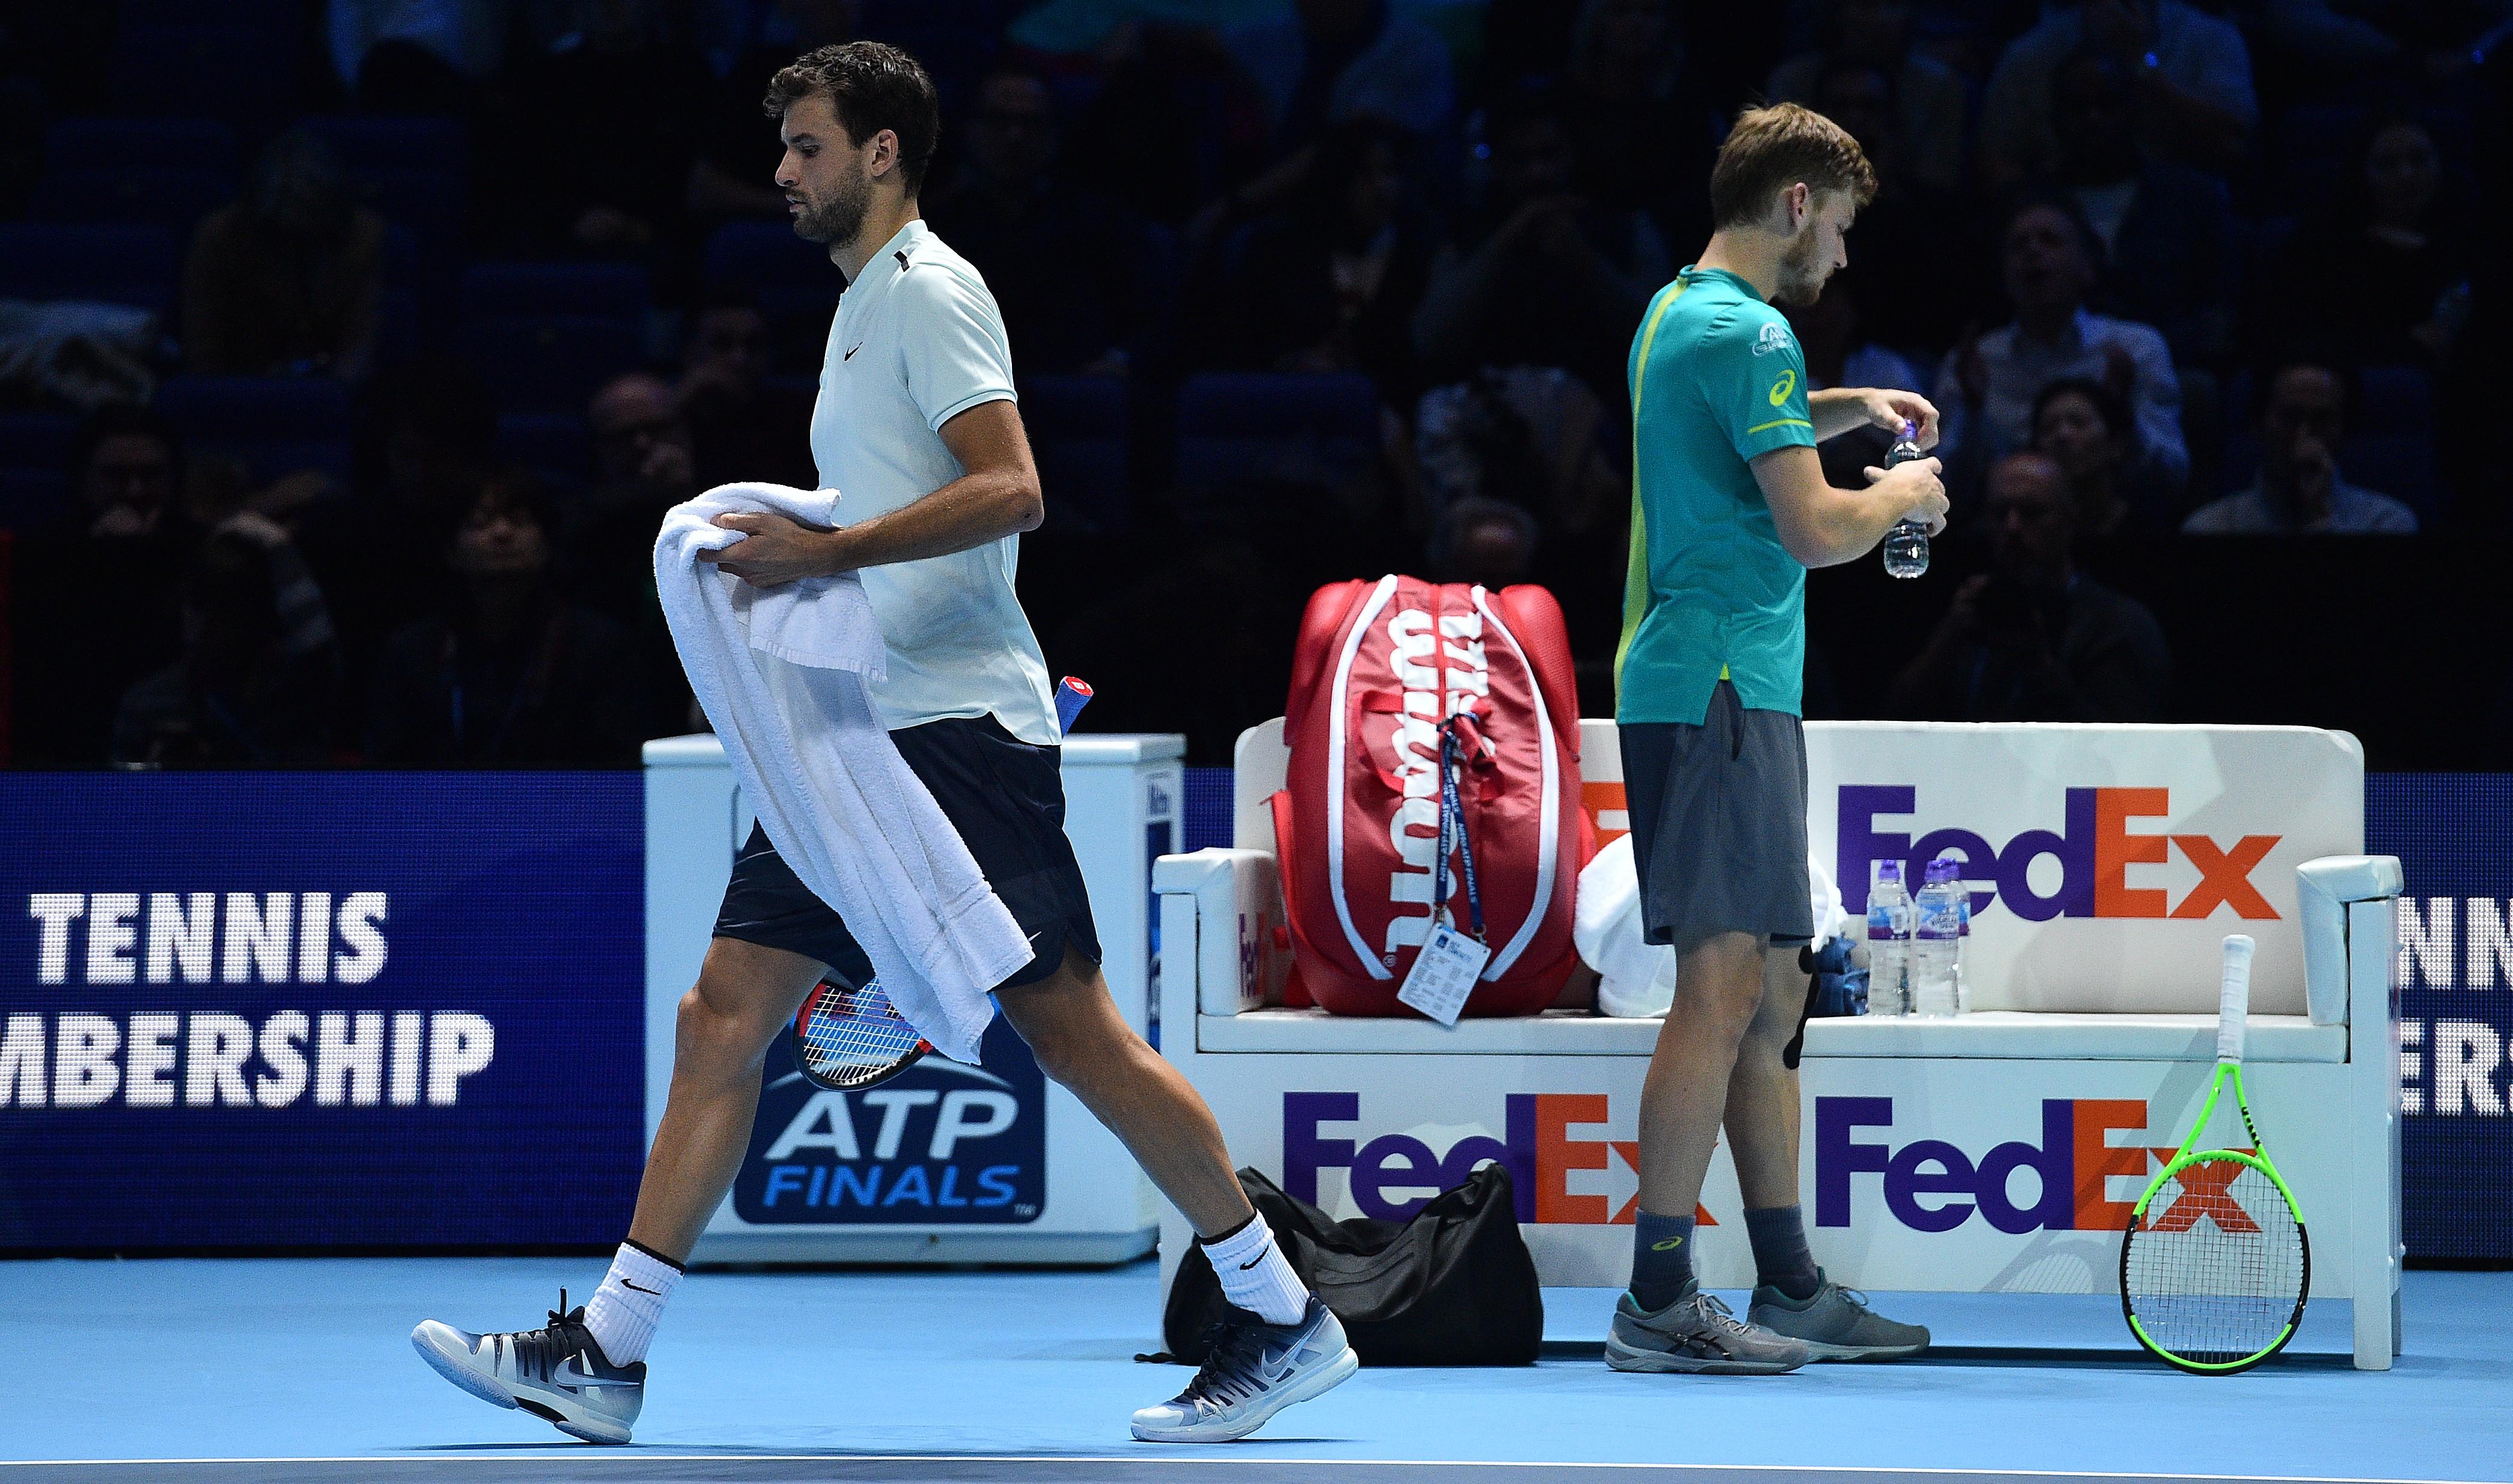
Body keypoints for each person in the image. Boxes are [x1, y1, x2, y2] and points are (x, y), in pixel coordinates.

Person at [410, 42, 1357, 1447]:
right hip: (855, 736)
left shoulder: (929, 293)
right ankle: (604, 1350)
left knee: (1075, 1031)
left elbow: (1015, 489)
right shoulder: (860, 309)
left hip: (954, 737)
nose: (782, 170)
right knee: (721, 1014)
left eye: (803, 145)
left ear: (881, 153)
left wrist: (827, 552)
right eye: (782, 146)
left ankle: (1277, 1307)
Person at [1612, 102, 1942, 1375]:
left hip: (1727, 687)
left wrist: (1848, 406)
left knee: (1772, 994)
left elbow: (1743, 420)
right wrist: (1902, 490)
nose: (1844, 259)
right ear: (1797, 203)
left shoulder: (1678, 309)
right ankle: (1657, 1300)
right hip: (1720, 691)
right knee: (1721, 990)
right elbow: (1812, 527)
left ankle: (1790, 1281)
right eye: (1842, 227)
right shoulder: (1752, 331)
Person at [364, 472, 648, 765]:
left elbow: (619, 763)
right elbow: (388, 767)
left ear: (547, 543)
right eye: (480, 522)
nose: (502, 533)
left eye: (520, 520)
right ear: (450, 550)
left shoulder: (599, 647)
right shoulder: (412, 652)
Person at [1412, 88, 1671, 408]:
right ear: (1496, 163)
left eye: (1549, 155)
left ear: (1573, 152)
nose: (1537, 174)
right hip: (1488, 406)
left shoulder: (1624, 226)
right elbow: (1429, 341)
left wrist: (1579, 255)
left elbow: (1660, 340)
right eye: (1520, 159)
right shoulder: (1468, 234)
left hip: (1603, 408)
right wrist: (1504, 243)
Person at [1933, 196, 2187, 499]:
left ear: (2087, 267)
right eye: (2019, 245)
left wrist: (2123, 420)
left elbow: (2171, 478)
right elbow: (1941, 490)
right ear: (2004, 275)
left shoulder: (2137, 349)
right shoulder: (1974, 362)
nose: (2033, 251)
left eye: (2050, 240)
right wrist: (1972, 414)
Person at [1889, 451, 2170, 721]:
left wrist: (2038, 664)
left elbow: (2119, 744)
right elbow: (1896, 719)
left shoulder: (2117, 625)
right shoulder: (1968, 613)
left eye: (2032, 512)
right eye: (2000, 513)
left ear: (2069, 518)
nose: (2012, 527)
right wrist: (1948, 638)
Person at [2045, 49, 2236, 364]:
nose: (2094, 119)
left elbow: (2218, 310)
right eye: (2079, 108)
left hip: (2174, 365)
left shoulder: (2192, 197)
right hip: (2051, 370)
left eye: (2107, 105)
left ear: (2133, 111)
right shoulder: (2032, 204)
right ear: (2056, 119)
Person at [109, 519, 342, 768]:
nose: (203, 627)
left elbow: (320, 649)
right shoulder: (149, 702)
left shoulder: (291, 696)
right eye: (197, 607)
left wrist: (279, 546)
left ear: (257, 619)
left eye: (225, 614)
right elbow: (117, 800)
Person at [1977, 0, 2256, 187]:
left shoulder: (2210, 39)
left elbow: (2235, 139)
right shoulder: (2031, 54)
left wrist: (2142, 63)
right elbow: (1998, 158)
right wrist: (2048, 209)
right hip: (2064, 209)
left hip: (2181, 216)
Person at [181, 130, 386, 381]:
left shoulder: (363, 237)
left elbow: (357, 348)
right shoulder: (218, 239)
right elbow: (205, 356)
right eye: (279, 239)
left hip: (330, 398)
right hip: (239, 394)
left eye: (303, 240)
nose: (291, 252)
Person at [2183, 362, 2419, 535]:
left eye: (2322, 419)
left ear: (2345, 430)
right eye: (2290, 417)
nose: (2303, 435)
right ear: (2258, 424)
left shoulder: (2387, 524)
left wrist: (2318, 516)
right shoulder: (2209, 528)